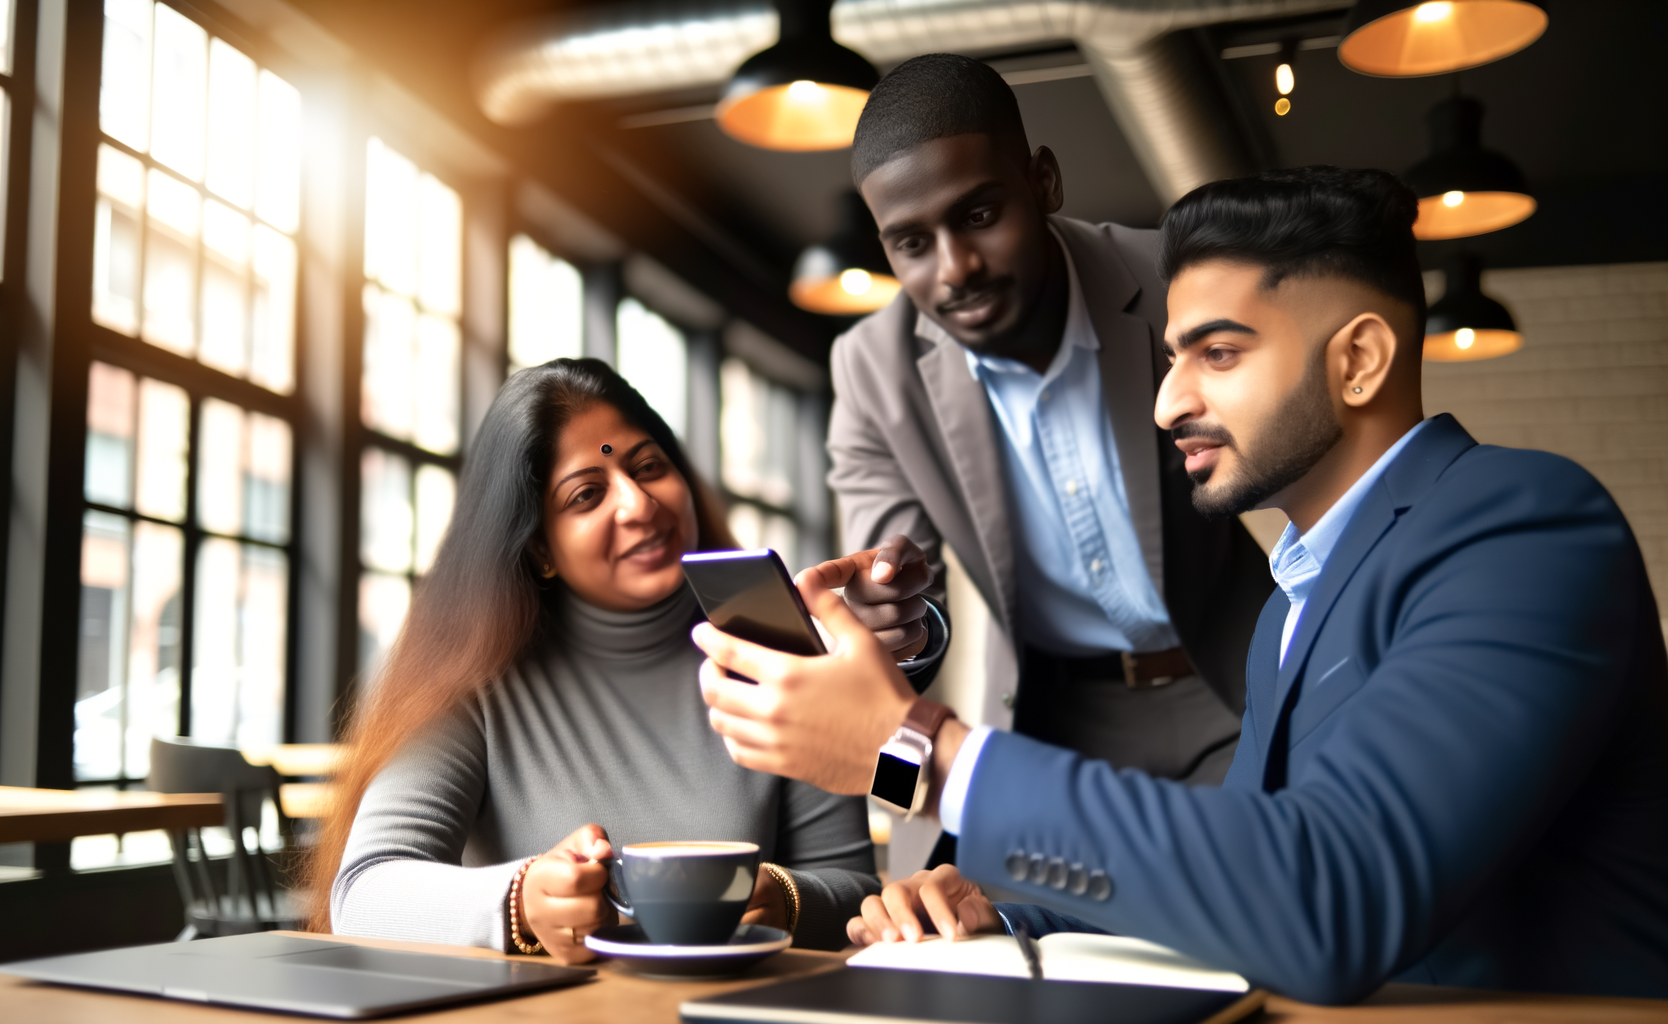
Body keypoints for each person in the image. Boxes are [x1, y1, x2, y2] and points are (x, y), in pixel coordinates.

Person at [692, 167, 1668, 1002]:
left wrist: (922, 751)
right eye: (1170, 357)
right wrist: (995, 902)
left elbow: (1327, 899)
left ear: (1359, 359)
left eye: (1218, 352)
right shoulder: (1292, 601)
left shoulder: (1523, 525)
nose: (1168, 402)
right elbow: (1239, 869)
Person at [306, 359, 880, 963]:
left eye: (648, 466)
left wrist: (787, 900)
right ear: (539, 548)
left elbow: (859, 893)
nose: (637, 503)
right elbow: (364, 893)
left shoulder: (778, 653)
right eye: (587, 494)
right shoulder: (475, 679)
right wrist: (518, 902)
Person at [825, 54, 1272, 811]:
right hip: (1046, 719)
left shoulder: (1179, 285)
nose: (955, 269)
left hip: (1230, 687)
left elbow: (1316, 476)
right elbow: (904, 604)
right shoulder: (873, 369)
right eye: (912, 244)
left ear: (1044, 182)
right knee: (952, 918)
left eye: (977, 215)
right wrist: (890, 610)